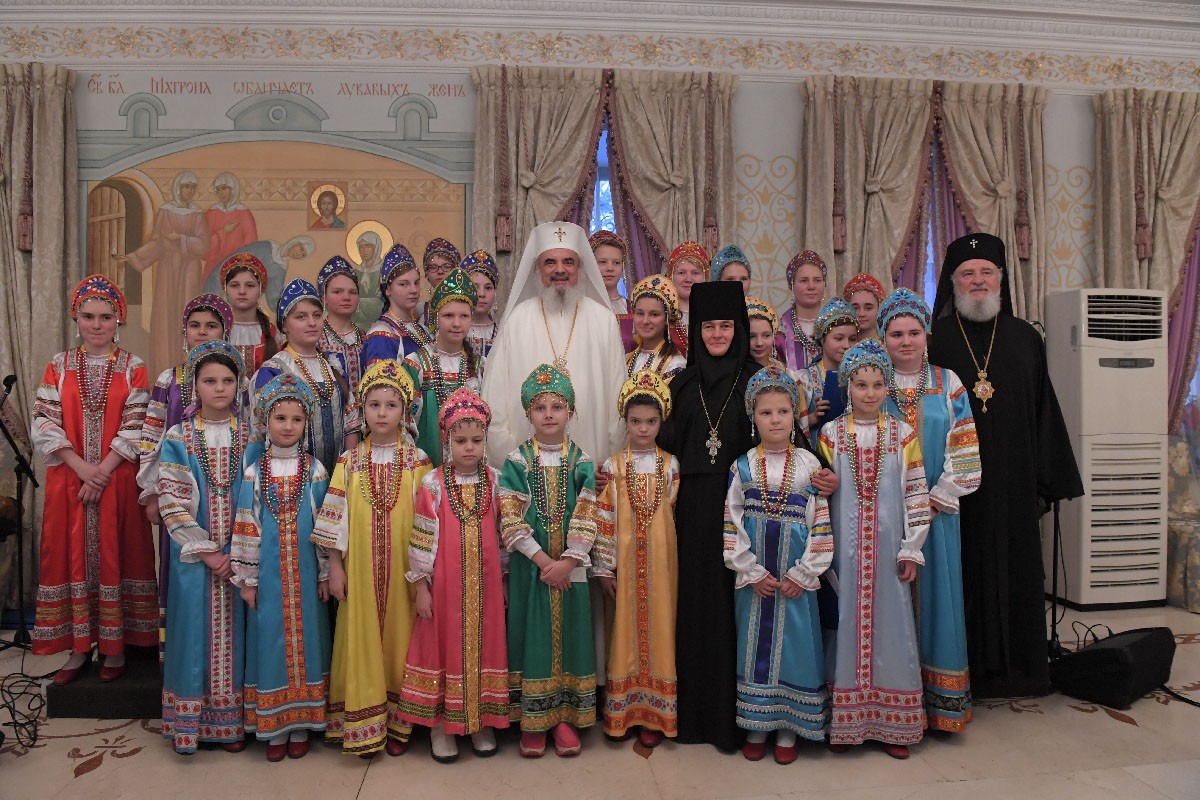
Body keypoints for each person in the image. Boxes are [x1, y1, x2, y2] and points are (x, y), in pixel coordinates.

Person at [928, 232, 1083, 699]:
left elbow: (1043, 408)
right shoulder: (935, 341)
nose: (978, 281)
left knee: (1017, 573)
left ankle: (1023, 671)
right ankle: (962, 672)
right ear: (952, 282)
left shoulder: (1025, 338)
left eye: (986, 272)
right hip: (955, 487)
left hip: (1015, 483)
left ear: (1001, 279)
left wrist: (1048, 479)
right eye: (967, 274)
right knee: (963, 575)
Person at [32, 276, 157, 684]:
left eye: (105, 317)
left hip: (117, 479)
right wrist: (83, 469)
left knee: (118, 553)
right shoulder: (59, 365)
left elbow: (138, 423)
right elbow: (44, 421)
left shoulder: (134, 367)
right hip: (70, 480)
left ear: (118, 319)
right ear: (77, 319)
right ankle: (78, 648)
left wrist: (101, 472)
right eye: (88, 317)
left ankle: (116, 649)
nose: (97, 324)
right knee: (69, 557)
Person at [313, 360, 434, 757]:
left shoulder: (418, 461)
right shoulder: (349, 463)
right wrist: (334, 566)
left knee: (402, 638)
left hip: (405, 575)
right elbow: (334, 519)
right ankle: (364, 722)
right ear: (362, 409)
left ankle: (399, 723)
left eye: (391, 405)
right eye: (374, 405)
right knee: (360, 636)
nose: (382, 413)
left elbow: (427, 522)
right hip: (359, 572)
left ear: (405, 411)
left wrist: (424, 578)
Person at [817, 339, 930, 759]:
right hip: (843, 555)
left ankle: (893, 726)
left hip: (888, 553)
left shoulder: (903, 435)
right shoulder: (831, 435)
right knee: (844, 625)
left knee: (892, 628)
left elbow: (916, 492)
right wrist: (821, 548)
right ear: (848, 386)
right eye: (861, 384)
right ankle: (847, 723)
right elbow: (820, 495)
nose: (869, 392)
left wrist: (911, 548)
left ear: (887, 388)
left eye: (878, 385)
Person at [880, 288, 981, 732]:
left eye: (913, 333)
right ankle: (894, 702)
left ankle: (941, 707)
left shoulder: (949, 382)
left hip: (938, 516)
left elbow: (965, 447)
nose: (906, 341)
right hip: (885, 517)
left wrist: (936, 499)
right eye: (896, 334)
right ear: (883, 339)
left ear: (926, 335)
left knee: (938, 600)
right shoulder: (871, 381)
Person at [726, 366, 832, 764]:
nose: (775, 420)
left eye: (784, 412)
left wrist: (804, 573)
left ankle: (789, 727)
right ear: (753, 417)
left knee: (797, 645)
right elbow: (731, 522)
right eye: (766, 412)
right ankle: (758, 723)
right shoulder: (742, 466)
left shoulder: (809, 464)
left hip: (795, 577)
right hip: (757, 580)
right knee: (753, 645)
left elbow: (821, 524)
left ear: (795, 415)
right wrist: (749, 570)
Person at [399, 387, 509, 763]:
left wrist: (504, 579)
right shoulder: (433, 484)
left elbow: (504, 535)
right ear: (447, 441)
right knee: (444, 648)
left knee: (485, 646)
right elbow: (422, 538)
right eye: (460, 441)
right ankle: (441, 725)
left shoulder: (495, 481)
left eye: (477, 440)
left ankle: (480, 720)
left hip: (487, 587)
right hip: (445, 588)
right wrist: (421, 586)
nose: (469, 448)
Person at [498, 364, 599, 758]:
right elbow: (510, 516)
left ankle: (565, 718)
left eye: (557, 406)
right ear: (529, 413)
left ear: (570, 412)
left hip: (572, 570)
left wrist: (569, 562)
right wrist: (544, 563)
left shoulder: (581, 461)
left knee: (572, 638)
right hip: (532, 571)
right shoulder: (517, 461)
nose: (549, 414)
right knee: (534, 638)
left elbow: (588, 513)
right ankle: (534, 720)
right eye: (540, 408)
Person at [232, 373, 332, 761]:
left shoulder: (316, 470)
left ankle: (303, 723)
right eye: (280, 418)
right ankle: (275, 727)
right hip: (269, 578)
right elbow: (247, 525)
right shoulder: (255, 472)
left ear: (306, 423)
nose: (288, 426)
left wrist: (324, 572)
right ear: (265, 421)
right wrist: (247, 579)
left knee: (310, 640)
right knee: (271, 640)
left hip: (306, 578)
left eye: (296, 419)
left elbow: (324, 527)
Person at [158, 341, 249, 754]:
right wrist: (208, 551)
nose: (220, 388)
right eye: (210, 381)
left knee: (237, 634)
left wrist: (239, 551)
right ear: (194, 386)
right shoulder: (178, 437)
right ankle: (191, 725)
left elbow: (257, 497)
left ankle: (231, 725)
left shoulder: (252, 435)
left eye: (228, 380)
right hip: (195, 557)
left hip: (241, 556)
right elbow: (171, 499)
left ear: (238, 385)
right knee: (194, 632)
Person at [481, 221, 627, 468]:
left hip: (593, 465)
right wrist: (509, 459)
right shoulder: (517, 319)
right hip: (527, 467)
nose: (560, 270)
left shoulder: (604, 320)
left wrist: (610, 461)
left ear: (580, 268)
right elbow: (495, 396)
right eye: (550, 262)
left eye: (568, 262)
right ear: (537, 269)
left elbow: (618, 396)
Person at [138, 293, 233, 662]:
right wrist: (151, 491)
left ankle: (224, 658)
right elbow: (152, 434)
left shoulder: (236, 379)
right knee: (184, 569)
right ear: (185, 331)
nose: (202, 332)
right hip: (177, 493)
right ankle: (183, 657)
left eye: (211, 326)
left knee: (227, 567)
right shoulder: (170, 378)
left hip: (225, 489)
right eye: (195, 325)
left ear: (224, 331)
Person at [593, 370, 680, 748]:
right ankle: (623, 712)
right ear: (625, 422)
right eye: (635, 421)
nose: (643, 429)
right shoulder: (612, 467)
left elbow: (673, 513)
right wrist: (604, 567)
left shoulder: (672, 466)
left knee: (661, 629)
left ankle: (656, 714)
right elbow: (604, 518)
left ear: (661, 422)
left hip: (662, 566)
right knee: (623, 632)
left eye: (651, 421)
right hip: (625, 568)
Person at [252, 279, 360, 475]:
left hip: (337, 479)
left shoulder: (333, 368)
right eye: (301, 317)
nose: (312, 323)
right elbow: (261, 434)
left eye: (317, 315)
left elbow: (351, 425)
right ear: (285, 325)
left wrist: (347, 473)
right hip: (292, 480)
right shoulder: (274, 371)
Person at [122, 170, 211, 373]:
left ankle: (190, 366)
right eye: (186, 187)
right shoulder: (166, 211)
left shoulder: (197, 214)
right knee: (166, 315)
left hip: (189, 270)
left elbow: (204, 245)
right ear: (178, 188)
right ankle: (164, 369)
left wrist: (181, 239)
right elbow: (157, 242)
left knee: (188, 312)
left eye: (192, 188)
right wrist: (135, 256)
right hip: (168, 270)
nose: (189, 191)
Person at [403, 269, 482, 465]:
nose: (456, 323)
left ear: (471, 318)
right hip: (426, 466)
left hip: (470, 467)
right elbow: (405, 424)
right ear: (436, 317)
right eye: (448, 315)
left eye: (464, 316)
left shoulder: (480, 366)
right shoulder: (416, 363)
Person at [362, 244, 433, 368]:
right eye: (403, 284)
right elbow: (381, 380)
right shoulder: (382, 334)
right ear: (388, 289)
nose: (414, 290)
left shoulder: (420, 329)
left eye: (416, 283)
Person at [797, 298, 858, 439]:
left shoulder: (862, 376)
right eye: (839, 338)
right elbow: (789, 427)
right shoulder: (803, 380)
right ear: (822, 339)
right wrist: (814, 417)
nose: (847, 345)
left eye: (852, 339)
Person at [217, 253, 278, 377]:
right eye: (234, 285)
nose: (242, 291)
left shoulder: (274, 334)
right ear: (225, 289)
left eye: (250, 285)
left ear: (261, 289)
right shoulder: (216, 330)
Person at [317, 255, 365, 397]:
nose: (346, 297)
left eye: (352, 292)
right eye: (337, 292)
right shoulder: (316, 337)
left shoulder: (365, 337)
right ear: (324, 297)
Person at [625, 275, 686, 381]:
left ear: (667, 319)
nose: (645, 321)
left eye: (654, 314)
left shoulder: (675, 364)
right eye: (640, 313)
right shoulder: (626, 360)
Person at [204, 172, 258, 281]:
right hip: (214, 268)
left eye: (224, 188)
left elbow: (251, 245)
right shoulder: (211, 213)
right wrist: (223, 232)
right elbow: (204, 246)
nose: (221, 193)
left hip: (237, 268)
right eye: (218, 189)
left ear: (233, 189)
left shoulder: (244, 214)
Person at [780, 250, 828, 373]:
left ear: (824, 284)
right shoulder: (780, 331)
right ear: (792, 285)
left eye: (817, 280)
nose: (811, 286)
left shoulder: (837, 325)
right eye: (804, 280)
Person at [590, 229, 635, 353]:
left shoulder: (633, 309)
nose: (610, 268)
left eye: (616, 263)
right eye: (602, 262)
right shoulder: (580, 307)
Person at [665, 241, 709, 359]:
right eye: (681, 273)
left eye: (695, 273)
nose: (688, 279)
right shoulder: (662, 315)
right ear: (671, 277)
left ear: (705, 278)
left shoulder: (714, 313)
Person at [462, 249, 501, 368]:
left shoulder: (502, 334)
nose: (481, 294)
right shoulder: (453, 330)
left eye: (488, 288)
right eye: (475, 287)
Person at [419, 238, 462, 327]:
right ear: (426, 273)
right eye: (433, 267)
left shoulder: (466, 308)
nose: (440, 271)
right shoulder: (418, 311)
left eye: (446, 266)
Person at [351, 231, 385, 330]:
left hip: (381, 319)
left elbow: (383, 299)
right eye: (360, 247)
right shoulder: (356, 272)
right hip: (358, 321)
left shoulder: (384, 270)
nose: (363, 250)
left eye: (367, 246)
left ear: (376, 247)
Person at [842, 272, 887, 342]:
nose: (861, 314)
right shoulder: (842, 346)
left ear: (879, 309)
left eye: (868, 308)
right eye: (855, 308)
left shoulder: (888, 345)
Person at [746, 296, 784, 369]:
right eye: (752, 336)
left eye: (766, 336)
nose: (759, 343)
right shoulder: (733, 372)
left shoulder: (783, 371)